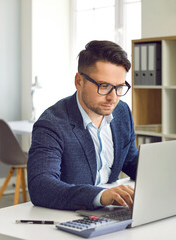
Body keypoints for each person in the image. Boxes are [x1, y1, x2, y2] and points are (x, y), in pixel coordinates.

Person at [27, 40, 138, 211]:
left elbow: (131, 162)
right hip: (69, 217)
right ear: (79, 81)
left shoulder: (122, 112)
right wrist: (101, 196)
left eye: (119, 87)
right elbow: (41, 186)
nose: (113, 98)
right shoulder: (51, 124)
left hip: (112, 214)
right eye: (104, 86)